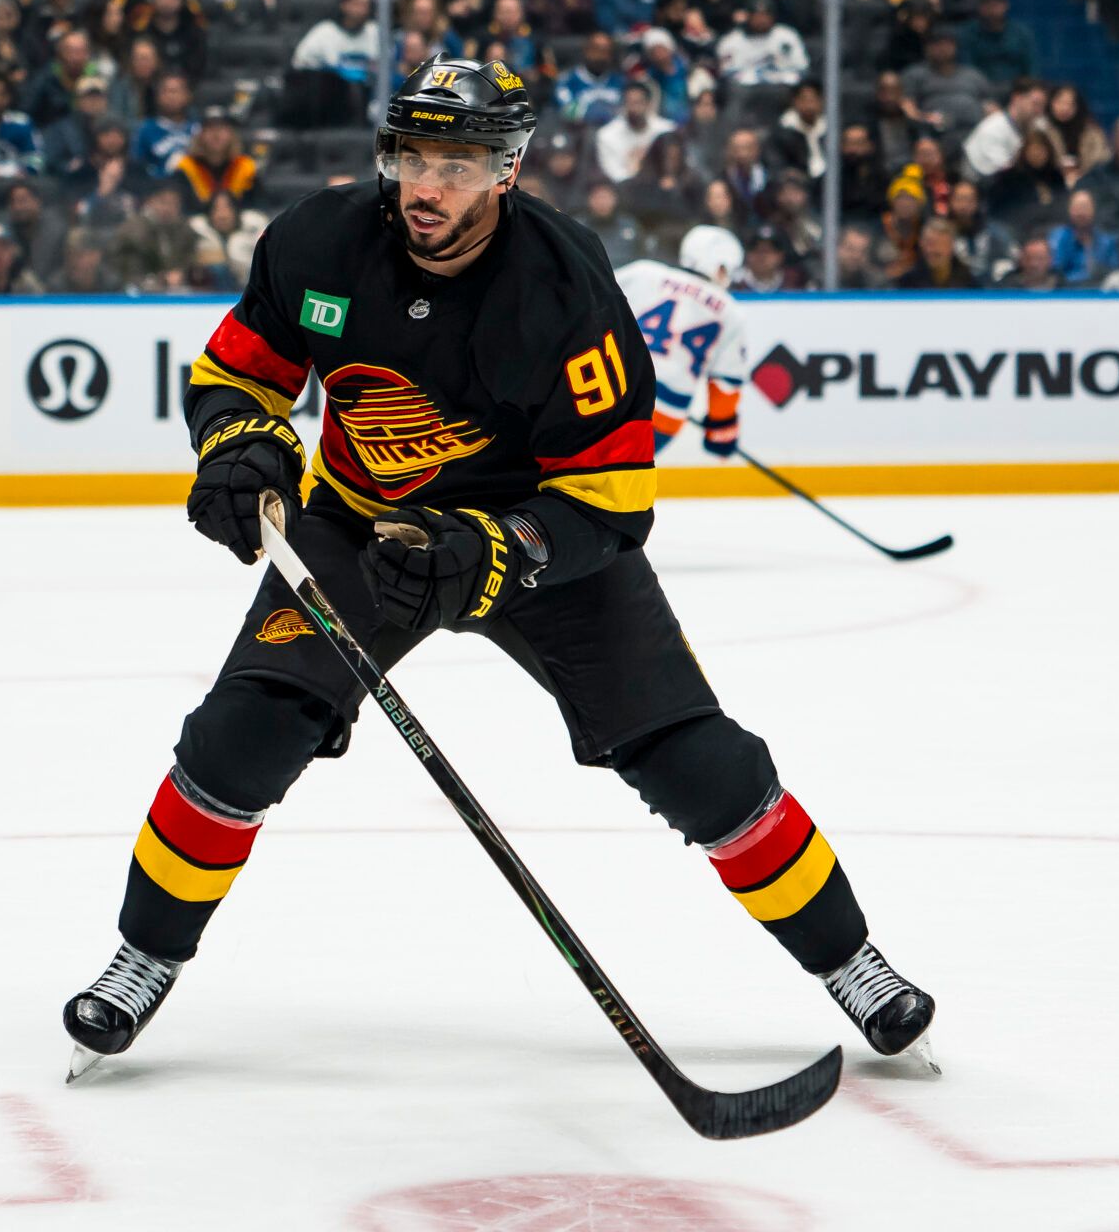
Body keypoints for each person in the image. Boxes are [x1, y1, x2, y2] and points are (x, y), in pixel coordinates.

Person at [60, 55, 939, 1084]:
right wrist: (239, 444)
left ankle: (853, 961)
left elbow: (613, 500)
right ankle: (146, 953)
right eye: (412, 157)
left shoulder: (567, 288)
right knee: (238, 737)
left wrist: (494, 554)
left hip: (536, 537)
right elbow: (235, 374)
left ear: (508, 170)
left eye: (458, 163)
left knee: (703, 764)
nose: (426, 187)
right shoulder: (318, 241)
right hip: (358, 521)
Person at [617, 225, 749, 454]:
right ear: (719, 266)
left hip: (610, 390)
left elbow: (590, 294)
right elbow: (726, 382)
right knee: (615, 478)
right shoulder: (730, 312)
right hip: (663, 415)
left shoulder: (643, 273)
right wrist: (721, 431)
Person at [169, 105, 258, 211]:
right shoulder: (185, 167)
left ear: (232, 134)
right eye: (209, 129)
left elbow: (256, 205)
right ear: (200, 135)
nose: (216, 135)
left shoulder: (245, 166)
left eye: (222, 129)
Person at [715, 0, 807, 88]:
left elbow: (801, 69)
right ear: (748, 16)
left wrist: (776, 77)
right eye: (757, 15)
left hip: (782, 89)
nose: (762, 20)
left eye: (765, 15)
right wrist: (758, 77)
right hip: (746, 91)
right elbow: (727, 76)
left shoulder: (787, 36)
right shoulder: (731, 41)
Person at [961, 77, 1043, 183]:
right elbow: (1008, 174)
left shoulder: (1034, 125)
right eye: (1035, 104)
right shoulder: (993, 128)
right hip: (981, 185)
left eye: (1042, 106)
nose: (1039, 111)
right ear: (1017, 98)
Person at [594, 81, 674, 184]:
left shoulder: (667, 129)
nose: (634, 109)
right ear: (623, 105)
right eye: (630, 103)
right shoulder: (607, 136)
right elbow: (614, 175)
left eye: (639, 102)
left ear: (649, 104)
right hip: (626, 189)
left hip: (661, 187)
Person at [961, 0, 1034, 88]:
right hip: (980, 90)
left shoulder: (1021, 33)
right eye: (987, 4)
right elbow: (966, 68)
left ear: (1006, 5)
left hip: (1016, 89)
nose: (991, 9)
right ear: (979, 7)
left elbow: (1032, 68)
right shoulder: (968, 34)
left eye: (996, 4)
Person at [945, 178, 1014, 283]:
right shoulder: (940, 234)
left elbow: (1009, 259)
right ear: (950, 202)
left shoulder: (995, 233)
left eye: (969, 200)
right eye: (959, 199)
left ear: (977, 203)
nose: (964, 206)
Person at [130, 71, 194, 178]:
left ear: (187, 95)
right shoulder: (145, 130)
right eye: (166, 91)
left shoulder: (199, 129)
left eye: (176, 91)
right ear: (158, 97)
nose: (171, 96)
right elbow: (136, 169)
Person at [554, 31, 626, 128]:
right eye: (596, 49)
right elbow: (568, 112)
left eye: (606, 51)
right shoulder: (567, 81)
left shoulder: (621, 82)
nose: (601, 56)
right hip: (579, 134)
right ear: (586, 50)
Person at [1046, 188, 1117, 285]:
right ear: (1069, 210)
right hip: (1065, 291)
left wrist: (1088, 248)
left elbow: (1113, 269)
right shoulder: (1058, 237)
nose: (1081, 213)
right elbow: (1054, 268)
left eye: (1085, 207)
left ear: (1093, 210)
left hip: (1099, 291)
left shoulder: (1106, 241)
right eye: (1077, 207)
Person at [6, 178, 68, 282]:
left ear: (37, 202)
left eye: (23, 201)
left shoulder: (58, 234)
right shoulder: (4, 235)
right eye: (13, 202)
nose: (18, 207)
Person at [894, 215, 978, 289]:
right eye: (927, 243)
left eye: (937, 244)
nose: (930, 250)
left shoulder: (968, 282)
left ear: (951, 246)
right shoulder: (907, 282)